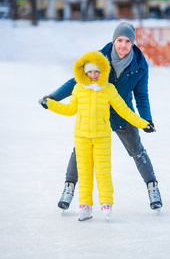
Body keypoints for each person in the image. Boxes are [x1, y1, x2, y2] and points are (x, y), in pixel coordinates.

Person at [42, 22, 162, 212]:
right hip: (96, 113)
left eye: (128, 41)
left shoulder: (140, 65)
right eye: (119, 40)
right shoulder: (99, 57)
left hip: (122, 113)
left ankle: (152, 187)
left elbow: (141, 95)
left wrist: (146, 118)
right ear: (114, 41)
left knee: (136, 150)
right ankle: (69, 187)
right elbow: (76, 81)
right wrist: (53, 97)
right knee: (79, 152)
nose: (123, 45)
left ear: (133, 43)